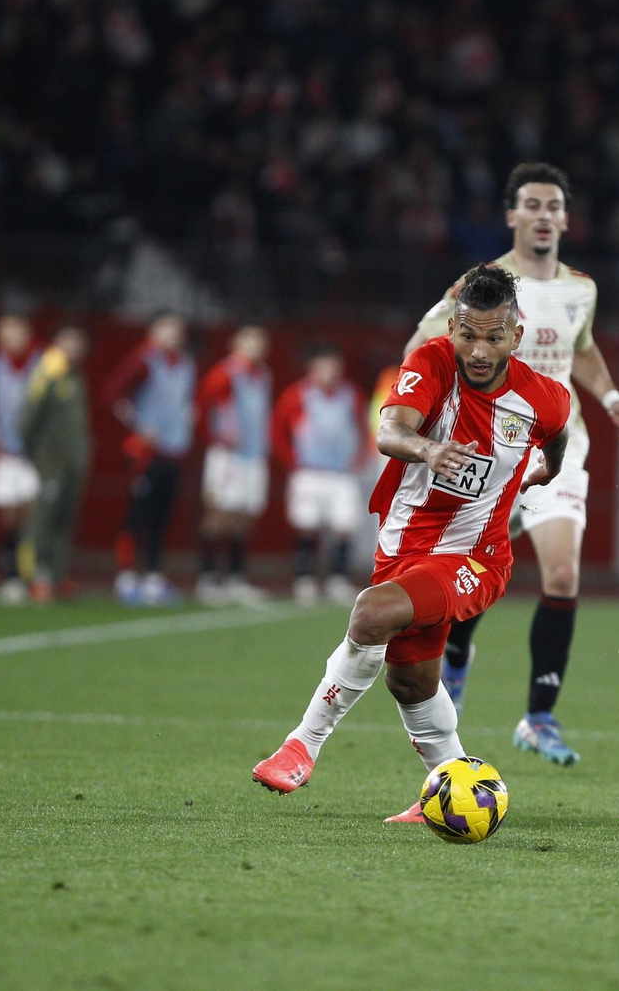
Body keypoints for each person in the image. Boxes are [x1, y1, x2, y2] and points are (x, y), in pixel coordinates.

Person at [252, 264, 571, 823]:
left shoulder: (540, 397)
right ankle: (453, 787)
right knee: (410, 680)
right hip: (403, 547)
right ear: (452, 328)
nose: (479, 350)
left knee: (372, 613)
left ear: (516, 336)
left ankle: (302, 745)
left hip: (476, 557)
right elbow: (390, 431)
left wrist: (550, 467)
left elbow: (559, 429)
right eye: (468, 335)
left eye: (494, 337)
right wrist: (428, 449)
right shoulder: (430, 363)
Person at [402, 162, 619, 766]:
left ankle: (538, 718)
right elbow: (423, 343)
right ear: (512, 215)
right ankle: (457, 658)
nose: (543, 215)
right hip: (490, 451)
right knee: (469, 571)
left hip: (558, 446)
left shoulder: (581, 288)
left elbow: (580, 348)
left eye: (553, 206)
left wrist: (611, 398)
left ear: (565, 218)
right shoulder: (482, 286)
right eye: (532, 205)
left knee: (561, 575)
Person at [101, 312, 195, 606]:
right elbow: (113, 395)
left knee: (161, 517)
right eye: (166, 327)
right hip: (146, 453)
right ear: (153, 330)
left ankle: (153, 578)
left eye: (177, 328)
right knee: (137, 515)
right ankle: (126, 577)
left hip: (173, 452)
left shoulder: (186, 364)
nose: (172, 334)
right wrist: (139, 426)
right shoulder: (143, 359)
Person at [271, 344, 367, 605]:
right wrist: (291, 462)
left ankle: (338, 578)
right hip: (309, 472)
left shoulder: (351, 395)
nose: (328, 371)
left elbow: (363, 427)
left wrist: (360, 458)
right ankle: (305, 579)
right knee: (307, 524)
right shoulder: (298, 394)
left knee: (344, 525)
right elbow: (278, 429)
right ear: (311, 368)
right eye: (323, 366)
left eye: (333, 366)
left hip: (342, 473)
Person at [195, 326, 272, 606]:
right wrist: (215, 440)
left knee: (245, 515)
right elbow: (202, 407)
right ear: (234, 343)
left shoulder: (263, 375)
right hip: (227, 456)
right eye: (249, 340)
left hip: (254, 455)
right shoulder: (224, 373)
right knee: (220, 513)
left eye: (260, 340)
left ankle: (235, 579)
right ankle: (208, 578)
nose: (255, 345)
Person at [19, 324, 92, 604]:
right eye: (68, 341)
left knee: (63, 518)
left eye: (78, 341)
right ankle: (35, 576)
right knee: (43, 517)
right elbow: (27, 418)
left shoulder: (74, 375)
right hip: (51, 460)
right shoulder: (48, 371)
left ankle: (58, 575)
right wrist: (37, 454)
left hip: (71, 462)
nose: (73, 347)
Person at [0, 313, 40, 605]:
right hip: (5, 453)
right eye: (6, 335)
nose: (13, 339)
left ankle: (32, 573)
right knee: (8, 516)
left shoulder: (41, 363)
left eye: (18, 333)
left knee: (31, 514)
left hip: (33, 453)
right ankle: (10, 575)